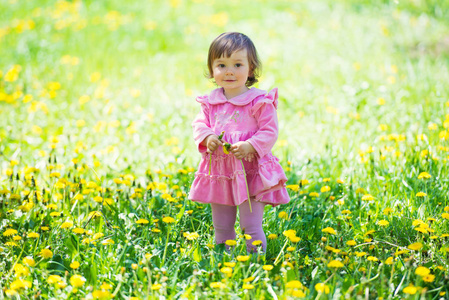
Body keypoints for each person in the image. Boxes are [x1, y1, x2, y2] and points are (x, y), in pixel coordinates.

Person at [188, 32, 290, 252]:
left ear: (251, 69)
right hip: (221, 172)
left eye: (237, 64)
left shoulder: (258, 102)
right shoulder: (211, 103)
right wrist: (207, 137)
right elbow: (199, 124)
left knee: (250, 226)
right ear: (212, 69)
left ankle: (254, 264)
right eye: (222, 65)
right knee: (222, 226)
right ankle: (223, 261)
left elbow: (269, 130)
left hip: (250, 170)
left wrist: (251, 145)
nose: (229, 71)